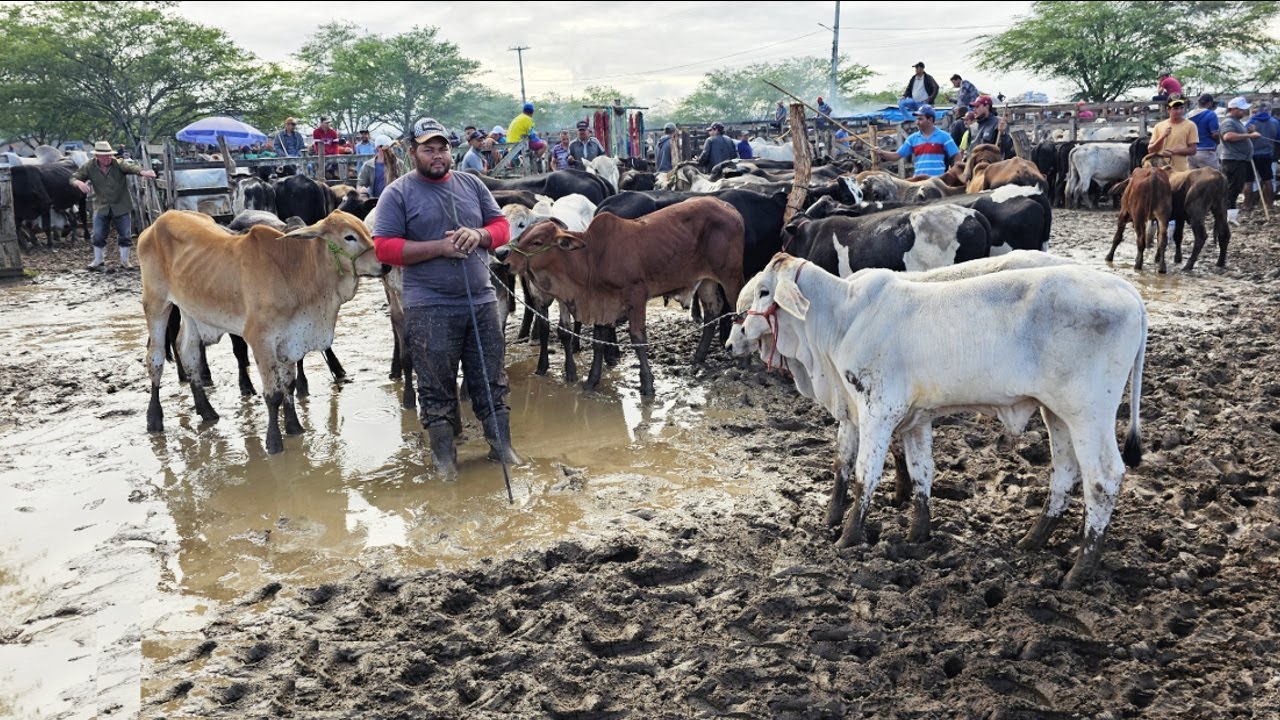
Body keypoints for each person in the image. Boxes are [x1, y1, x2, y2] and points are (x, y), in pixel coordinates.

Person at [369, 117, 520, 479]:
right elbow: (383, 248)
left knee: (491, 380)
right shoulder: (398, 193)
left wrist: (478, 235)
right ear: (413, 152)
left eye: (442, 148)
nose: (437, 156)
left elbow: (501, 228)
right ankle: (444, 461)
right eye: (428, 149)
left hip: (482, 302)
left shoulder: (472, 184)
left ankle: (502, 449)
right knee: (435, 386)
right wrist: (439, 247)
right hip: (429, 305)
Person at [70, 141, 157, 271]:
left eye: (110, 155)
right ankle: (98, 260)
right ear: (97, 157)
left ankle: (125, 261)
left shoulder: (118, 164)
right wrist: (79, 183)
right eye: (105, 156)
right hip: (101, 206)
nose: (108, 158)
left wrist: (143, 172)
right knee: (98, 235)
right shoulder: (89, 166)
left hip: (121, 204)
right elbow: (73, 177)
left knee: (125, 235)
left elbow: (131, 167)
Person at [873, 104, 958, 178]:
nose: (917, 122)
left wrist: (955, 172)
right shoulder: (912, 139)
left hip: (938, 181)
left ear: (930, 120)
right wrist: (881, 152)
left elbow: (956, 155)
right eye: (916, 119)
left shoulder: (944, 136)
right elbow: (896, 155)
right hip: (919, 181)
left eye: (920, 119)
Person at [1219, 96, 1261, 225]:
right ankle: (1229, 216)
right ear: (1233, 109)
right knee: (1232, 188)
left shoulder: (1237, 122)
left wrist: (1249, 131)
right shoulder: (1228, 122)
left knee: (1235, 188)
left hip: (1239, 159)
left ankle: (1231, 215)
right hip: (1233, 160)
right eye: (1241, 110)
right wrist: (1249, 135)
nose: (1244, 112)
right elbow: (1228, 136)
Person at [1148, 93, 1198, 174]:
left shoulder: (1190, 125)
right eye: (1175, 108)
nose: (1179, 111)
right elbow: (1151, 150)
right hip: (1161, 171)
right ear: (1168, 109)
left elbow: (1193, 150)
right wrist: (1162, 136)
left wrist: (1175, 151)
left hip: (1181, 172)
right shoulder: (1159, 126)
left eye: (1181, 108)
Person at [1244, 102, 1279, 213]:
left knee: (1248, 181)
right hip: (1267, 155)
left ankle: (1247, 205)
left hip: (1252, 155)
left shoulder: (1252, 121)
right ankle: (1270, 204)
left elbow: (1244, 134)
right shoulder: (1275, 122)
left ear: (1257, 110)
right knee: (1268, 180)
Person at [1188, 93, 1221, 170]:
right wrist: (1218, 142)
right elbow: (1215, 134)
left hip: (1191, 151)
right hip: (1206, 150)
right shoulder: (1211, 114)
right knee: (1213, 178)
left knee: (1194, 179)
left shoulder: (1188, 115)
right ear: (1209, 103)